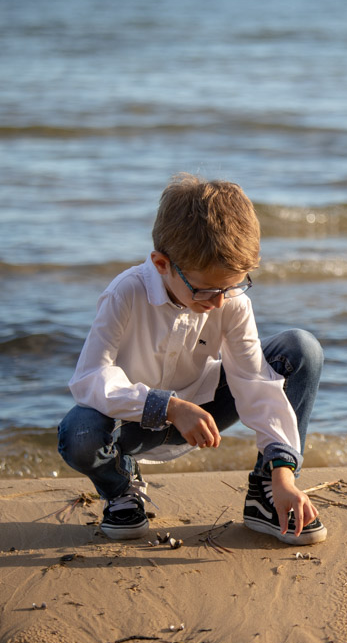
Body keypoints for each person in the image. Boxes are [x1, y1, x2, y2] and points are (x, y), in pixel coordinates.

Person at [58, 173, 326, 546]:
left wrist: (284, 473)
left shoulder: (229, 301)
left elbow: (253, 382)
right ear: (161, 263)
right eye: (205, 289)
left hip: (207, 412)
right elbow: (89, 378)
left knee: (301, 349)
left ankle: (266, 493)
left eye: (233, 286)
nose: (218, 301)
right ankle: (121, 489)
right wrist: (169, 407)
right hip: (132, 423)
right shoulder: (126, 293)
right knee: (79, 432)